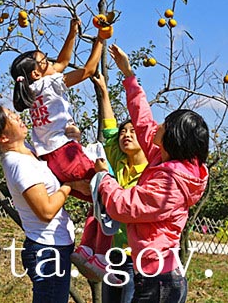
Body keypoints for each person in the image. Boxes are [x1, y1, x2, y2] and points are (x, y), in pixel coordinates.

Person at [93, 44, 209, 303]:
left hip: (158, 282)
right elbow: (143, 121)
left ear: (173, 138)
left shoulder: (170, 184)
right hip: (154, 275)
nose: (159, 125)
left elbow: (124, 207)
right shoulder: (163, 157)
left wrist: (104, 178)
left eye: (165, 124)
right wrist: (128, 75)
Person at [10, 18, 113, 279]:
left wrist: (72, 33)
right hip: (66, 154)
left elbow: (63, 62)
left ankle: (88, 251)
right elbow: (87, 70)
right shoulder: (50, 84)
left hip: (51, 160)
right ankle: (97, 255)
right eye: (44, 61)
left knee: (97, 199)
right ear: (37, 72)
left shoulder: (31, 90)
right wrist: (100, 40)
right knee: (109, 195)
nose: (50, 62)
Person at [0, 104, 89, 303]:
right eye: (10, 117)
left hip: (55, 246)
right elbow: (46, 211)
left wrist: (73, 140)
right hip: (47, 250)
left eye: (13, 113)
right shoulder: (19, 164)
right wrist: (70, 185)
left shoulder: (29, 151)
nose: (17, 117)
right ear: (2, 137)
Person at [90, 73, 148, 303]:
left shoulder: (151, 171)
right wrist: (104, 92)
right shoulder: (118, 160)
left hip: (136, 257)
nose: (126, 135)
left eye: (133, 131)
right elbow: (109, 130)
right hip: (114, 254)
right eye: (124, 132)